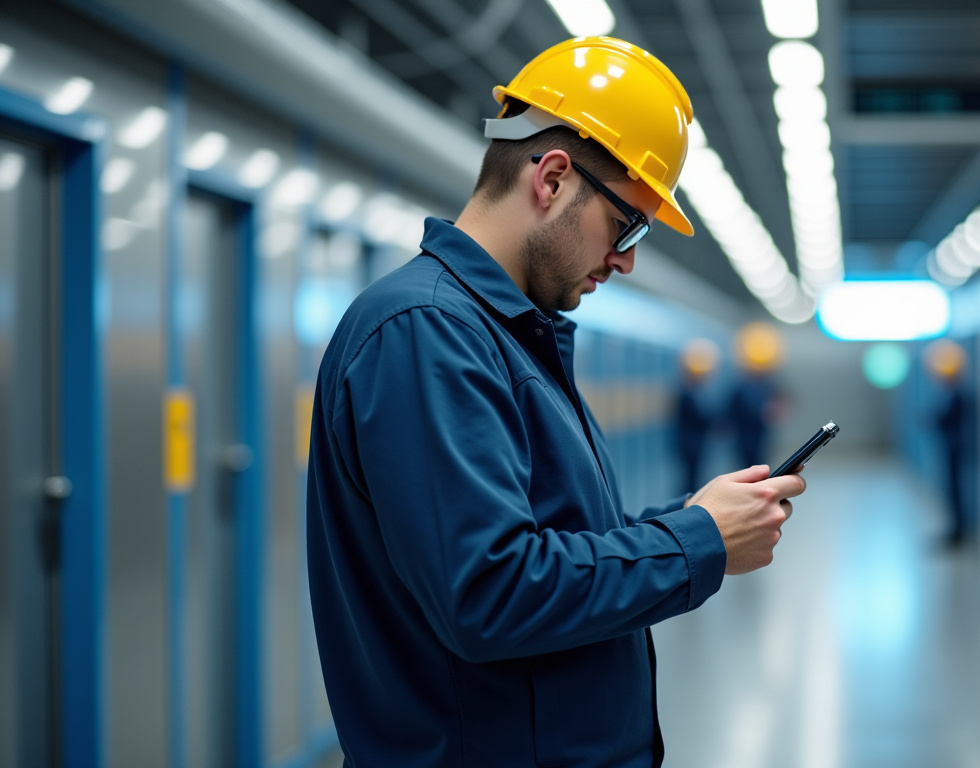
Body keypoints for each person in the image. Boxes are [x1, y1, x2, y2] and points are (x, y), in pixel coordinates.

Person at [305, 37, 807, 767]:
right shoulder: (430, 333)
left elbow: (549, 538)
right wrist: (695, 545)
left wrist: (694, 520)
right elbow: (489, 591)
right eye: (626, 224)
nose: (627, 258)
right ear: (552, 179)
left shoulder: (500, 335)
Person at [924, 340, 971, 548]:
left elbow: (948, 418)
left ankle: (958, 532)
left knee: (955, 490)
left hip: (955, 449)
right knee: (950, 490)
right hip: (949, 448)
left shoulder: (957, 395)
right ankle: (954, 529)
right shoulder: (949, 394)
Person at [726, 322, 787, 468]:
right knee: (750, 469)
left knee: (757, 468)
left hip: (759, 437)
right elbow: (736, 410)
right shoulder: (743, 386)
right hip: (745, 438)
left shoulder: (766, 385)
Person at [674, 338, 720, 494]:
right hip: (690, 443)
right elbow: (701, 416)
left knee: (692, 477)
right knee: (690, 479)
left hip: (693, 442)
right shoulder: (688, 392)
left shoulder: (691, 390)